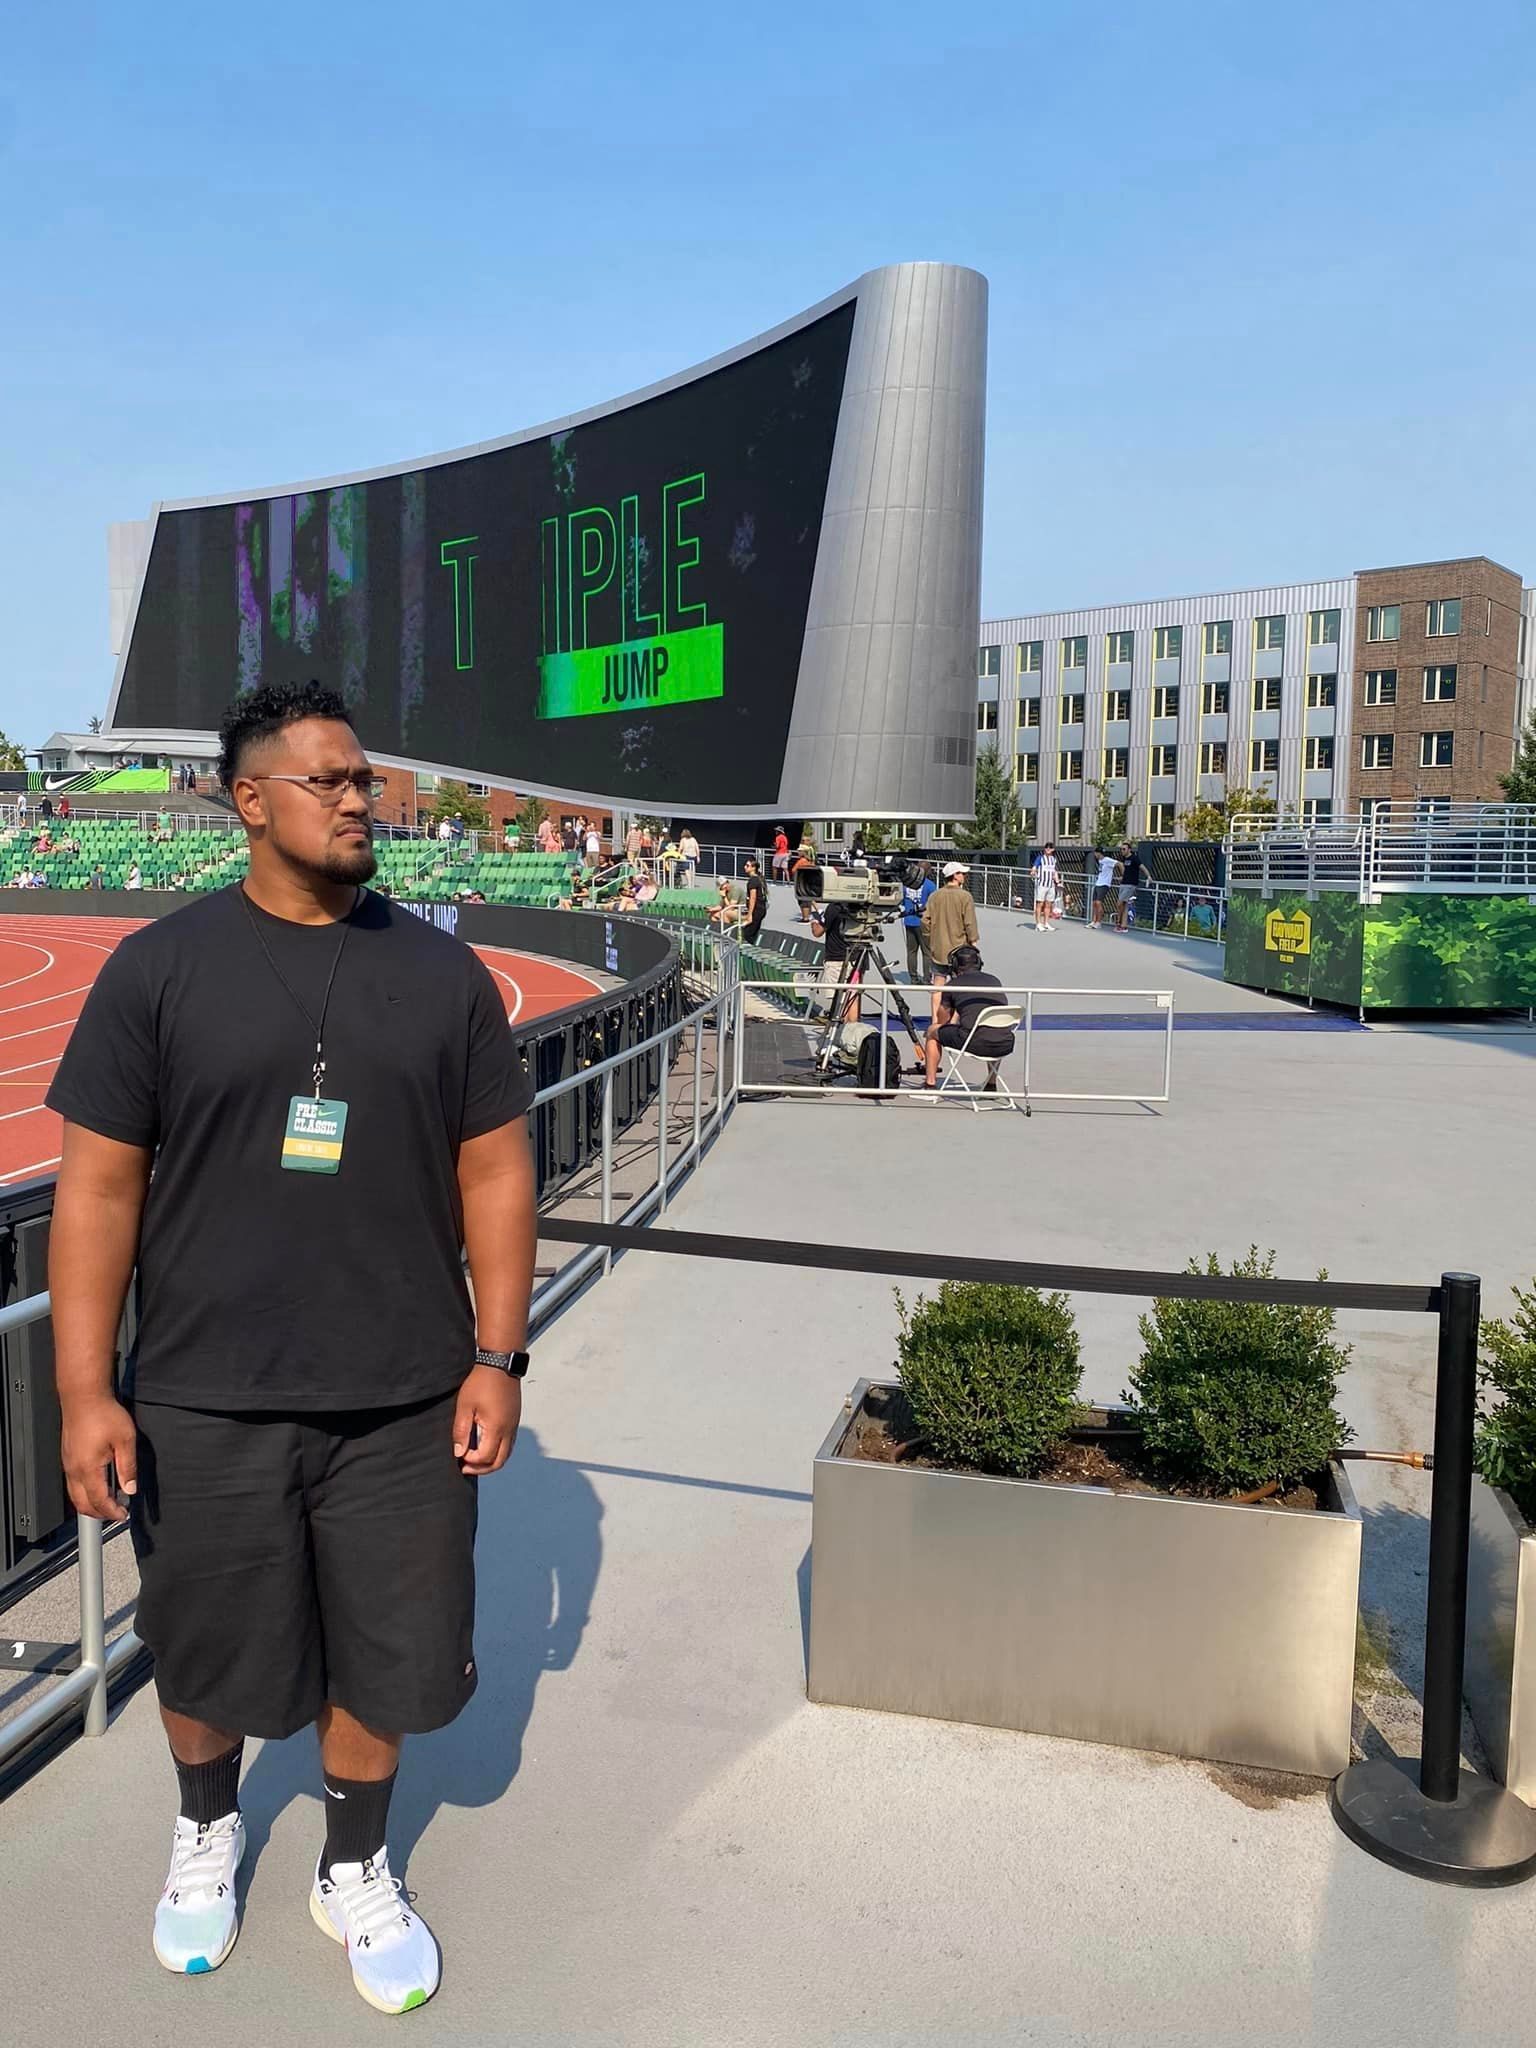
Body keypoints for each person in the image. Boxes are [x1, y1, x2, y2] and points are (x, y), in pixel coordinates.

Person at [45, 679, 536, 2015]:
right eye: (329, 780)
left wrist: (498, 1358)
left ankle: (353, 1863)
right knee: (205, 1647)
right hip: (203, 1396)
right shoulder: (158, 971)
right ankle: (207, 1827)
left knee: (387, 1653)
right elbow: (98, 1191)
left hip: (405, 1400)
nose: (359, 798)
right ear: (249, 800)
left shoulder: (440, 974)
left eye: (363, 777)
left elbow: (496, 1170)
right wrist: (85, 1389)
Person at [922, 943, 1014, 1093]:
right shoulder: (994, 980)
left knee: (932, 1031)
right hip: (1005, 1043)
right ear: (979, 963)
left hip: (973, 1043)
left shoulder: (953, 985)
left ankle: (930, 1085)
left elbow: (942, 1021)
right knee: (994, 1030)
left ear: (954, 966)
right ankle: (991, 1085)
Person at [921, 862, 978, 996]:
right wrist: (973, 942)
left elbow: (924, 920)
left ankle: (936, 1011)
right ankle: (955, 1010)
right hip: (959, 949)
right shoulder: (965, 896)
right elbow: (969, 922)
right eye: (962, 873)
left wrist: (930, 938)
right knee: (959, 984)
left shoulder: (935, 896)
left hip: (939, 948)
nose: (965, 876)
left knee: (938, 983)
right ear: (955, 875)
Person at [901, 863, 936, 983]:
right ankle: (927, 979)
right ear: (927, 871)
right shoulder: (930, 885)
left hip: (909, 920)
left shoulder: (906, 884)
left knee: (911, 951)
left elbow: (901, 901)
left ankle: (913, 978)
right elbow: (934, 903)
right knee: (927, 952)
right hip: (923, 922)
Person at [1116, 842, 1147, 932]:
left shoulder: (1134, 858)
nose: (1122, 851)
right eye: (1121, 849)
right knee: (1124, 904)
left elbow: (1142, 867)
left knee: (1120, 903)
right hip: (1124, 883)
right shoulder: (1124, 859)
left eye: (1124, 849)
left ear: (1129, 850)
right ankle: (1124, 925)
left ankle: (1118, 922)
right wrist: (1122, 877)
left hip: (1130, 884)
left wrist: (1148, 876)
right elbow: (1126, 871)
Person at [1031, 843, 1060, 933]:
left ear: (1053, 849)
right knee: (1040, 903)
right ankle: (1038, 924)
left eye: (1050, 847)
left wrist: (1058, 881)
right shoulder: (1040, 858)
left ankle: (1046, 923)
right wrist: (1033, 871)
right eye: (1046, 847)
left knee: (1048, 904)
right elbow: (1034, 867)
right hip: (1042, 884)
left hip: (1051, 885)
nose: (1048, 849)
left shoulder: (1053, 859)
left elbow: (1054, 871)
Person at [740, 857, 768, 943]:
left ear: (753, 868)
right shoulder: (758, 878)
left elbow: (753, 898)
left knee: (747, 934)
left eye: (747, 865)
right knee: (752, 933)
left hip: (757, 910)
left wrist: (749, 915)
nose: (745, 867)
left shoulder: (753, 880)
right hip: (761, 910)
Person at [1092, 847, 1120, 927]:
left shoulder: (1107, 860)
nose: (1094, 855)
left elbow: (1119, 864)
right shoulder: (1100, 861)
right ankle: (1094, 921)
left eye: (1095, 853)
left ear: (1098, 853)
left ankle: (1099, 922)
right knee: (1094, 903)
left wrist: (1123, 876)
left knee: (1099, 902)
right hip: (1098, 883)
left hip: (1104, 884)